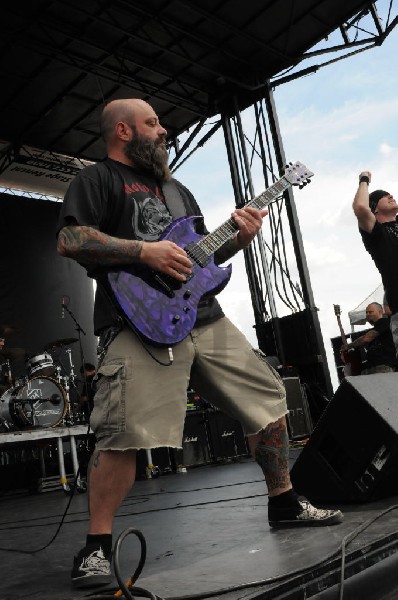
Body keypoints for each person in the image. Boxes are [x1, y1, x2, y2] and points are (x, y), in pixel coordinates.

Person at [57, 98, 343, 589]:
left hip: (204, 319)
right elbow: (72, 241)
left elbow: (200, 261)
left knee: (269, 399)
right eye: (153, 123)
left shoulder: (177, 189)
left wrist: (239, 237)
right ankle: (97, 548)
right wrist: (144, 250)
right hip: (138, 322)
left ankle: (284, 501)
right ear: (123, 131)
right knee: (124, 433)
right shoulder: (98, 179)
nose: (163, 130)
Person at [353, 173, 398, 355]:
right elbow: (361, 207)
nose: (390, 196)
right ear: (375, 210)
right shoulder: (377, 234)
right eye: (382, 196)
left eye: (390, 194)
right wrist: (364, 180)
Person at [342, 302, 397, 374]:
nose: (367, 314)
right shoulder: (379, 329)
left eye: (370, 312)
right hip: (373, 367)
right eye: (366, 312)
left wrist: (349, 346)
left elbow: (367, 338)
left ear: (380, 312)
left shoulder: (384, 322)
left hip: (382, 367)